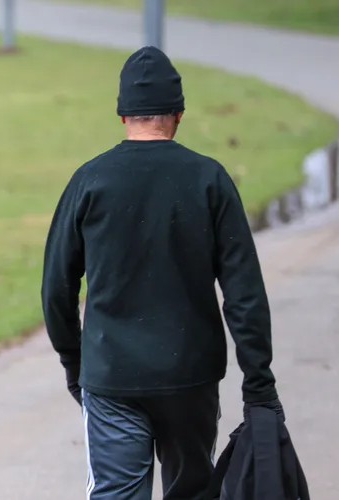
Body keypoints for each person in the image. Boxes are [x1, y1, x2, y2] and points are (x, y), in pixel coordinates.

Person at [41, 46, 284, 500]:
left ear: (122, 117)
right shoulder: (209, 179)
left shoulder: (89, 181)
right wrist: (259, 384)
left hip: (111, 376)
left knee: (116, 492)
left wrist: (75, 363)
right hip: (190, 377)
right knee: (192, 491)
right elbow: (244, 292)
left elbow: (56, 287)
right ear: (178, 114)